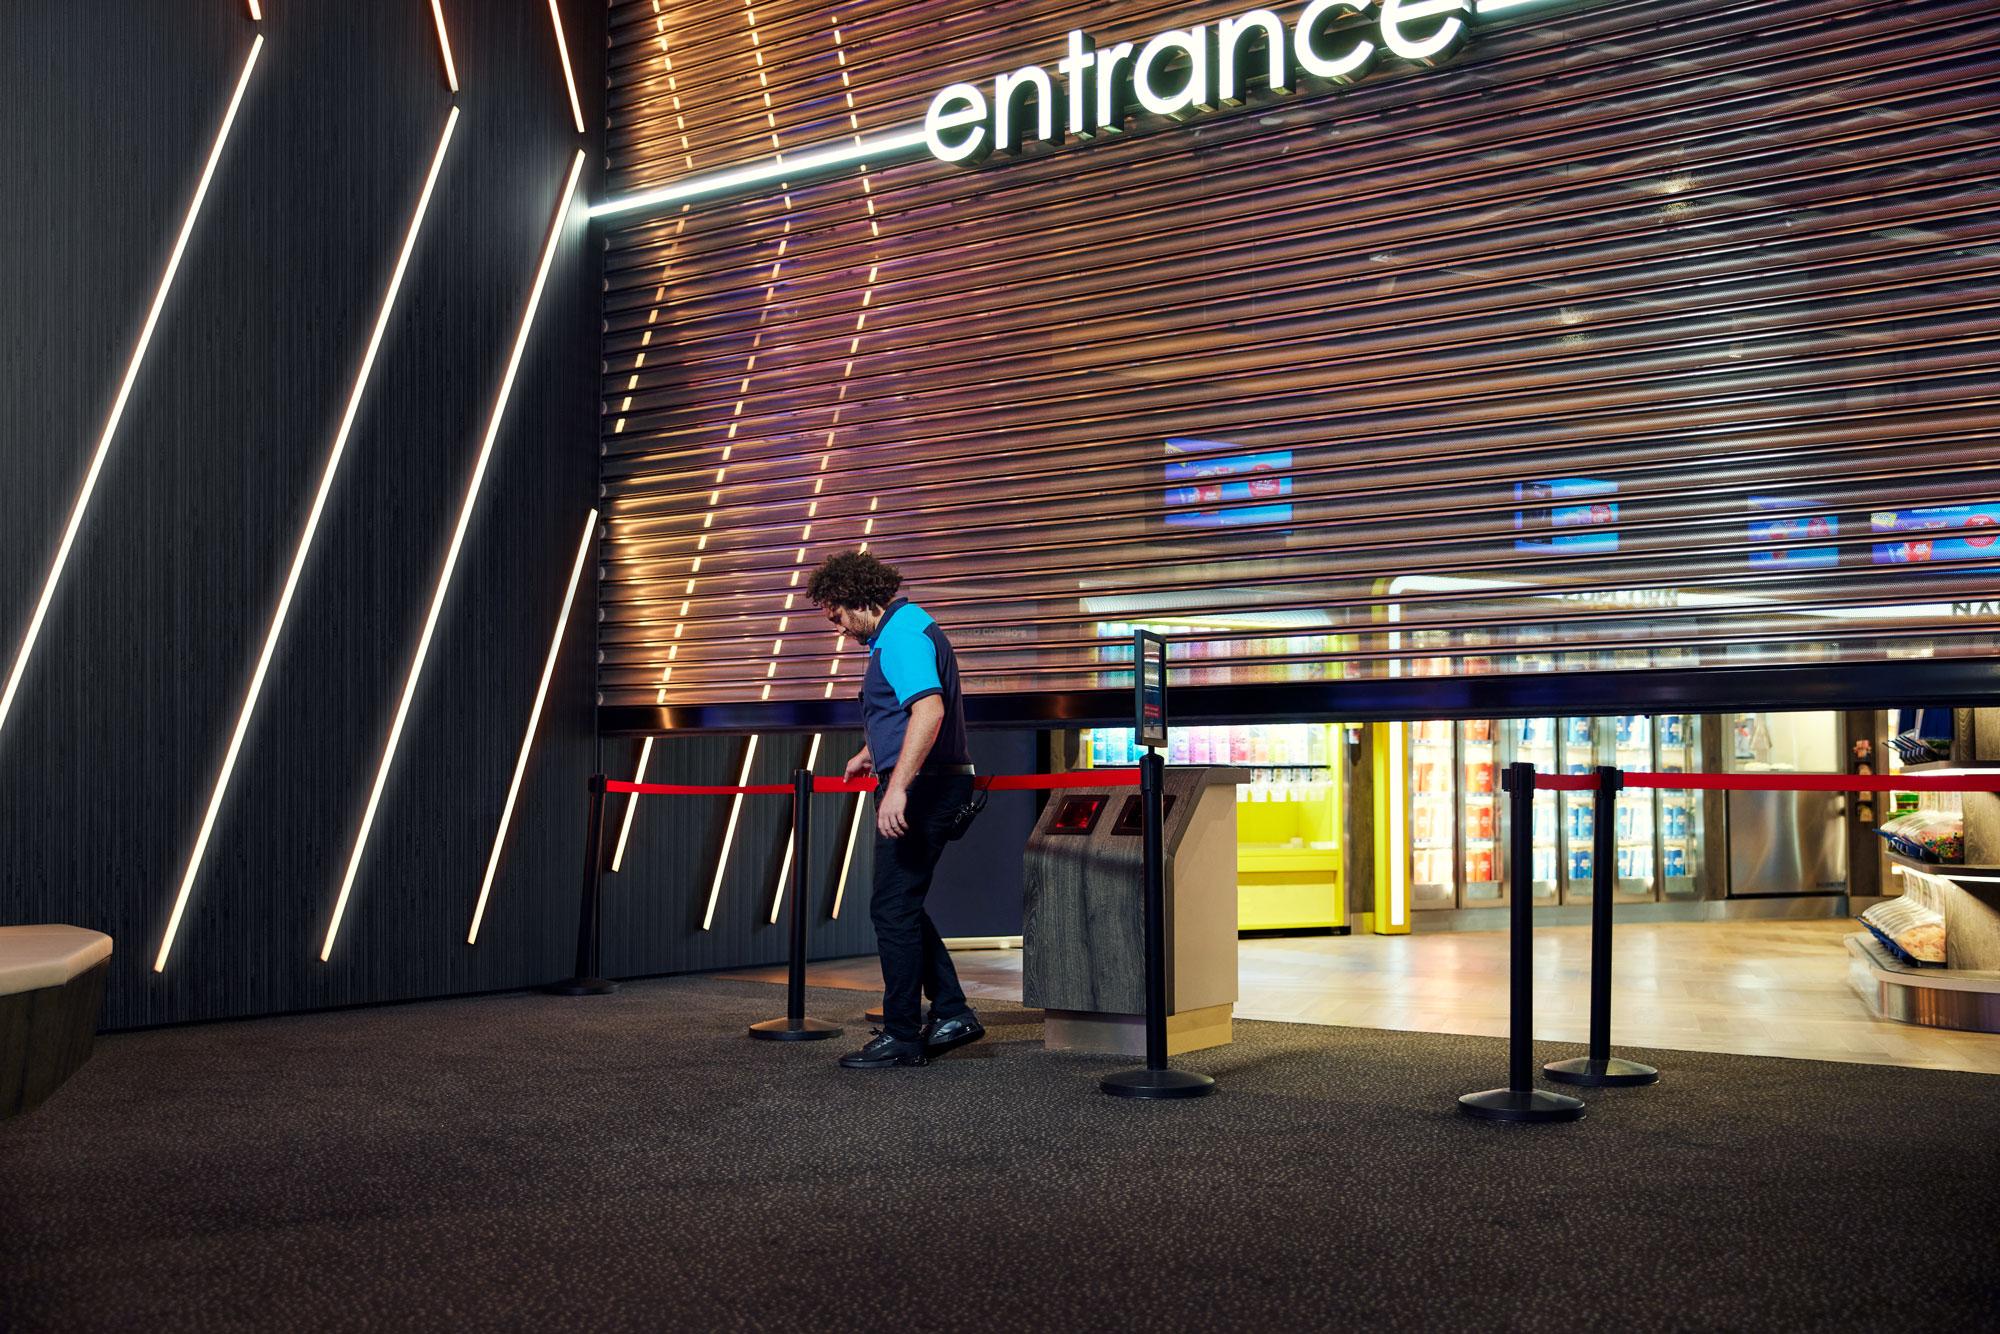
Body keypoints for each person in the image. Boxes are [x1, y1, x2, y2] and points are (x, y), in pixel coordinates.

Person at [807, 549, 984, 1069]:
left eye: (836, 616)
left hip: (926, 786)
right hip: (930, 780)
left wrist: (898, 787)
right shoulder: (903, 629)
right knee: (900, 905)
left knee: (890, 909)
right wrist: (872, 752)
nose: (838, 628)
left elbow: (929, 710)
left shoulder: (902, 637)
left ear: (852, 599)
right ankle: (951, 1012)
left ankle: (904, 1034)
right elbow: (907, 714)